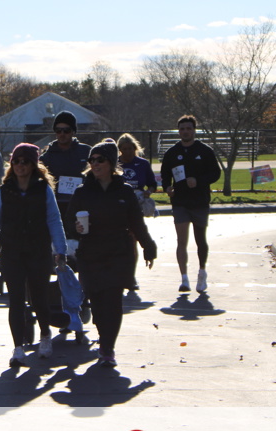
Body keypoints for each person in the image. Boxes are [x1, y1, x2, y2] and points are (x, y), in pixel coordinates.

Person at [0, 143, 68, 366]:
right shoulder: (5, 191)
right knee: (15, 300)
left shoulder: (43, 189)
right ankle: (18, 348)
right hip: (12, 251)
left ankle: (45, 335)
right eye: (16, 161)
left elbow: (54, 220)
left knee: (39, 297)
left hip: (38, 250)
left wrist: (60, 250)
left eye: (25, 161)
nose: (20, 166)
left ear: (33, 165)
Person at [68, 139, 156, 367]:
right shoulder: (83, 192)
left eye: (100, 160)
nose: (95, 164)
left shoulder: (124, 191)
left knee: (114, 301)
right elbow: (68, 222)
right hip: (90, 254)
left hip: (118, 253)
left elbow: (137, 223)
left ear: (111, 163)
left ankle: (108, 348)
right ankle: (103, 336)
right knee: (97, 302)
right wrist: (76, 228)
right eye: (92, 160)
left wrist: (148, 247)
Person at [159, 115, 221, 293]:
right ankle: (184, 279)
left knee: (200, 239)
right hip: (180, 202)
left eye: (188, 128)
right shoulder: (172, 152)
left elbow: (215, 173)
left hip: (200, 201)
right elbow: (165, 174)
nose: (185, 132)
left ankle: (202, 272)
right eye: (182, 129)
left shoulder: (204, 151)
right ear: (178, 132)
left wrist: (199, 181)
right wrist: (167, 187)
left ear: (194, 130)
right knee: (181, 241)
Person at [118, 133, 158, 291]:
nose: (128, 152)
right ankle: (118, 274)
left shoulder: (142, 164)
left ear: (135, 148)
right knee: (121, 241)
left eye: (130, 149)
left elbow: (152, 184)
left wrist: (148, 192)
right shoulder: (116, 164)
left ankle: (131, 276)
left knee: (133, 239)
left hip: (136, 205)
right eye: (124, 149)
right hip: (119, 205)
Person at [40, 110, 91, 233]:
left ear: (73, 131)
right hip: (56, 205)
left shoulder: (86, 152)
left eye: (66, 130)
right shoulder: (47, 156)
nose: (62, 134)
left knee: (81, 236)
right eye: (58, 130)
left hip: (81, 205)